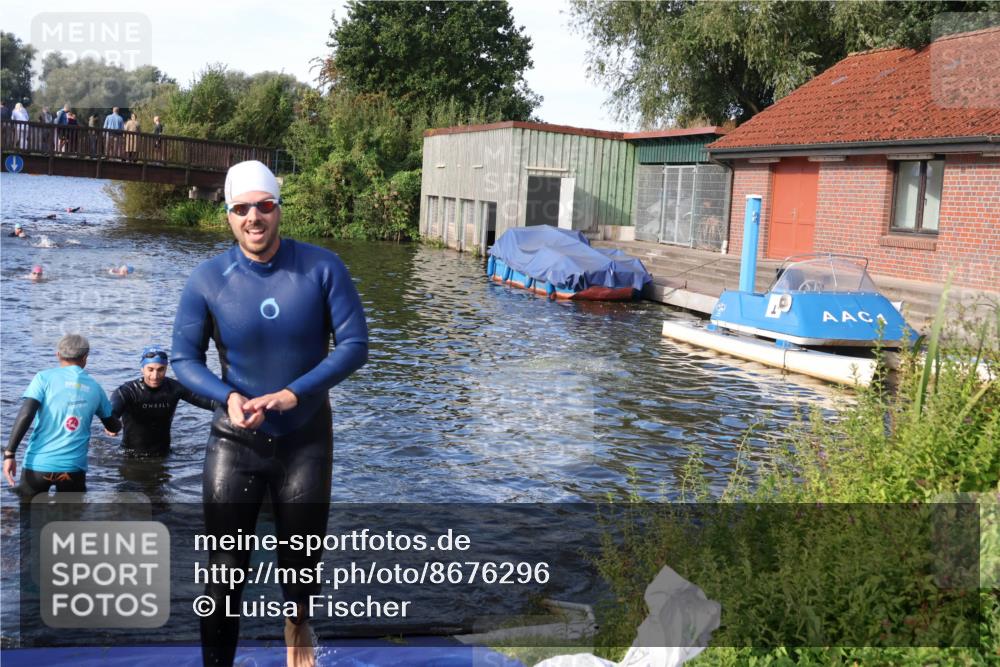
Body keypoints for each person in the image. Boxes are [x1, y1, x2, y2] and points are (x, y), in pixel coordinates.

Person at [171, 160, 368, 667]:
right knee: (223, 572)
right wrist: (228, 397)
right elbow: (183, 360)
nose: (254, 217)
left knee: (301, 566)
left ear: (279, 208)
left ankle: (296, 624)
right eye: (241, 208)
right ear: (229, 216)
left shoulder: (323, 268)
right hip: (234, 440)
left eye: (264, 205)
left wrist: (294, 394)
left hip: (304, 438)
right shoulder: (208, 279)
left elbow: (355, 346)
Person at [3, 334, 121, 497]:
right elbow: (113, 426)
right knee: (70, 520)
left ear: (58, 355)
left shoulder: (43, 378)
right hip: (73, 470)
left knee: (28, 518)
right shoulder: (96, 388)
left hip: (38, 466)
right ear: (85, 357)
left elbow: (26, 414)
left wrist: (10, 453)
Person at [107, 346, 217, 457]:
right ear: (142, 369)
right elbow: (113, 408)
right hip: (130, 455)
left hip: (163, 454)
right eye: (150, 369)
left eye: (160, 369)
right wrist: (111, 422)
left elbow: (210, 402)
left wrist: (230, 406)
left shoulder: (175, 388)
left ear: (166, 368)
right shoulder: (128, 390)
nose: (155, 376)